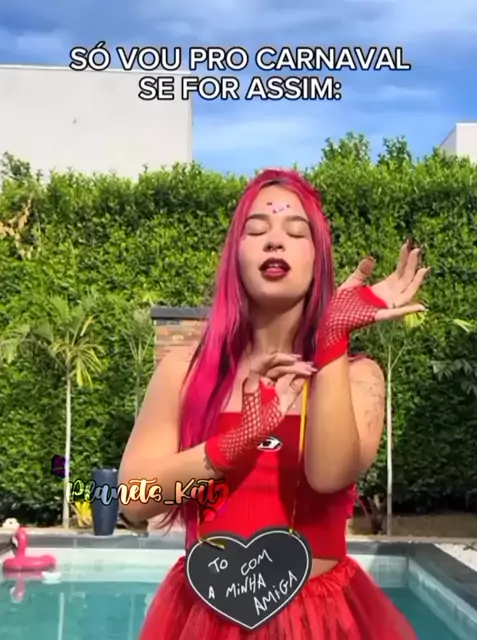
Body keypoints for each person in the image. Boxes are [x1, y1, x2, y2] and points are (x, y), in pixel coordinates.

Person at [119, 168, 429, 639]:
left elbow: (329, 475)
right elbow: (133, 501)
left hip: (322, 622)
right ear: (235, 255)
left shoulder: (357, 375)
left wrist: (331, 339)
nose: (275, 241)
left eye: (296, 232)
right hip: (205, 616)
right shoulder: (183, 371)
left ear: (318, 259)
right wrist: (230, 446)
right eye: (257, 229)